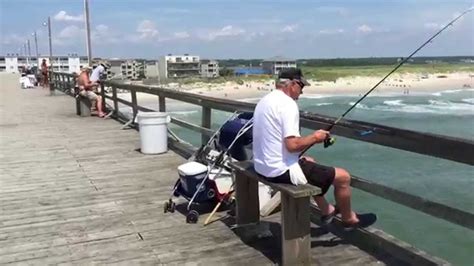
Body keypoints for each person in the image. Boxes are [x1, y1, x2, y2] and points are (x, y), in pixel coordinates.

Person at [253, 68, 369, 231]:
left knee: (309, 162)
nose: (301, 92)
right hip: (277, 171)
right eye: (301, 86)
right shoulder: (288, 105)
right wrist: (316, 137)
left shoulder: (266, 100)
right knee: (343, 177)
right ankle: (349, 219)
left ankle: (327, 210)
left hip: (261, 166)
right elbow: (292, 146)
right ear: (293, 84)